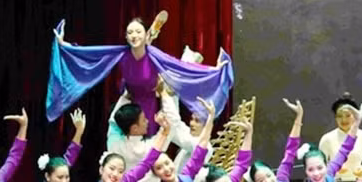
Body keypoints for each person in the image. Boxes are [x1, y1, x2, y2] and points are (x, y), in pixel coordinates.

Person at [46, 16, 233, 133]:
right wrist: (65, 46)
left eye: (138, 31)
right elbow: (91, 54)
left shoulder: (154, 56)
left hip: (149, 103)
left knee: (147, 144)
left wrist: (214, 71)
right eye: (130, 32)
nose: (134, 35)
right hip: (128, 99)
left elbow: (182, 68)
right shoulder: (121, 54)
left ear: (145, 35)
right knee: (114, 131)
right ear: (126, 37)